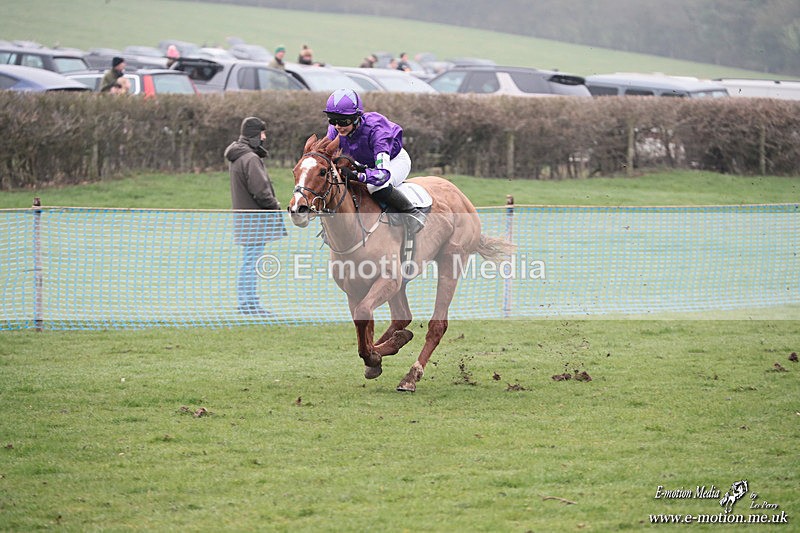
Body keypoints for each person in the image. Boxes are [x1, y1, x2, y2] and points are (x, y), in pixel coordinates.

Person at [324, 88, 426, 234]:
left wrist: (357, 176)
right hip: (363, 163)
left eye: (343, 121)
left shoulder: (377, 131)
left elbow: (382, 174)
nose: (338, 126)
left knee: (375, 187)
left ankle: (413, 214)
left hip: (393, 161)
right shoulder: (335, 130)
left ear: (356, 117)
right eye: (332, 120)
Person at [225, 116, 286, 317]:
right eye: (262, 133)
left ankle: (247, 302)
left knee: (248, 262)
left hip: (245, 218)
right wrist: (275, 206)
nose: (264, 137)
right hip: (255, 220)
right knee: (251, 263)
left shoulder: (239, 156)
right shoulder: (250, 158)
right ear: (254, 135)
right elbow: (260, 191)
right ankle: (248, 304)